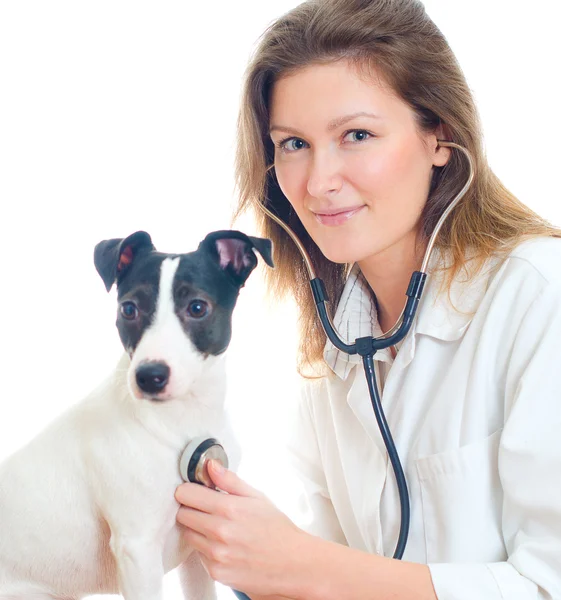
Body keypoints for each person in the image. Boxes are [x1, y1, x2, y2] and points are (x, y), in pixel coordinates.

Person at [174, 0, 561, 598]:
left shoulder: (541, 296)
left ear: (441, 135)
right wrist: (241, 551)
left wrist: (298, 564)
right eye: (293, 144)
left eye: (357, 135)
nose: (319, 180)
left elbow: (549, 583)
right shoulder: (334, 345)